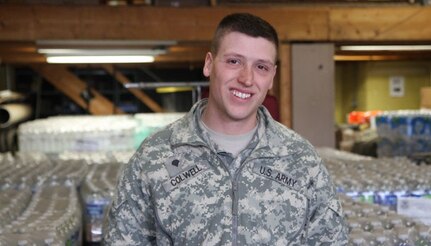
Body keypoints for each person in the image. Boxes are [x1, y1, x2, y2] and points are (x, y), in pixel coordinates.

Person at [103, 13, 348, 245]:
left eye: (261, 67)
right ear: (209, 64)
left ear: (272, 77)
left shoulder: (300, 159)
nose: (247, 78)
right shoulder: (156, 156)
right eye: (234, 61)